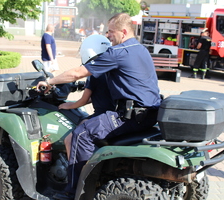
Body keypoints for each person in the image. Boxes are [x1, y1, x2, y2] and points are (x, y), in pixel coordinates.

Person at [37, 13, 161, 200]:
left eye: (111, 32)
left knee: (81, 134)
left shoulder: (118, 52)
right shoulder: (141, 49)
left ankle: (76, 192)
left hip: (130, 116)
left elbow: (78, 72)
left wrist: (50, 81)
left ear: (124, 32)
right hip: (150, 114)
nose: (108, 35)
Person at [59, 74, 115, 160]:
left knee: (70, 139)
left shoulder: (94, 75)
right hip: (115, 114)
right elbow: (98, 96)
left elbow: (83, 100)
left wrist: (70, 105)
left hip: (101, 115)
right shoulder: (112, 73)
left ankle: (74, 171)